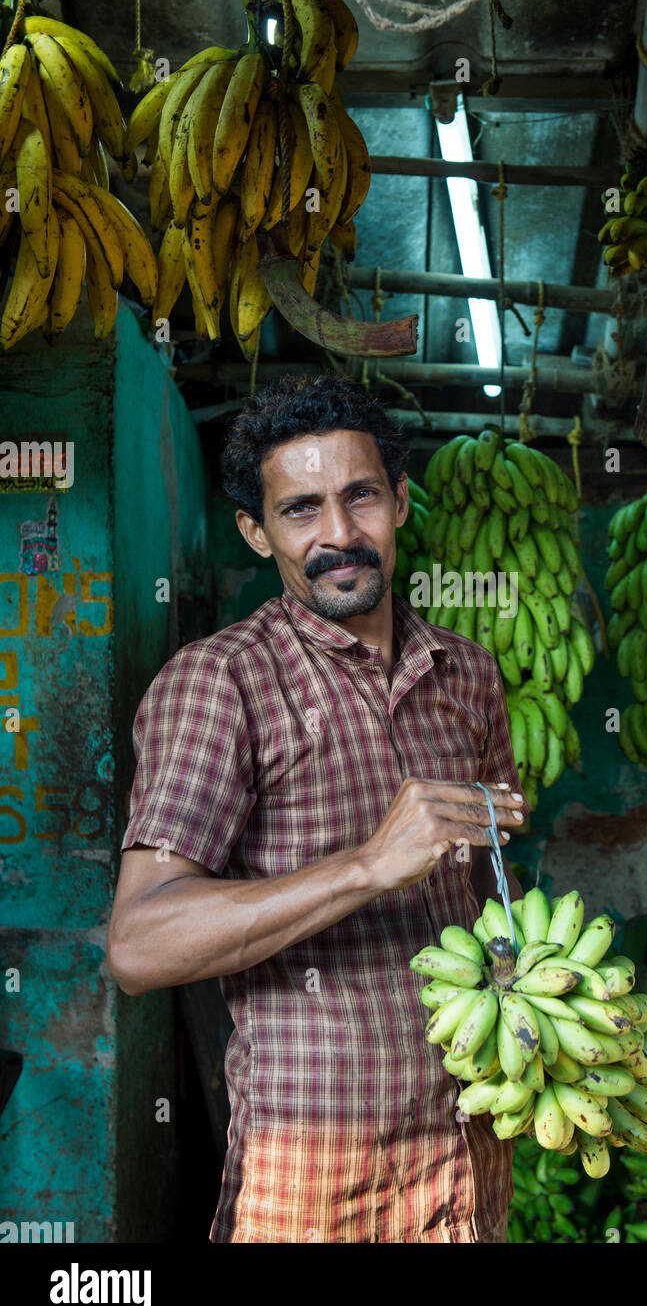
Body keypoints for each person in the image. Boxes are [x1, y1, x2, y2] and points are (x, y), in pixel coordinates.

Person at [106, 374, 526, 1243]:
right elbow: (140, 944)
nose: (339, 535)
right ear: (257, 533)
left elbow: (493, 900)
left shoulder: (470, 675)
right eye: (300, 510)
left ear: (401, 502)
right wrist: (370, 864)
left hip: (470, 1160)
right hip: (319, 1179)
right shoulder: (220, 683)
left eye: (360, 495)